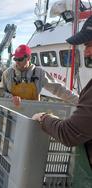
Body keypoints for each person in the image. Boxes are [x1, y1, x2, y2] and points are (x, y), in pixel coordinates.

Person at [32, 15, 92, 187]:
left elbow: (69, 133)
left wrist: (44, 118)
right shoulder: (9, 74)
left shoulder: (39, 72)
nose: (86, 52)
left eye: (88, 45)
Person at [0, 44, 79, 106]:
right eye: (15, 59)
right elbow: (0, 91)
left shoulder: (39, 73)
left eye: (20, 59)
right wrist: (11, 98)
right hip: (12, 110)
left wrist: (79, 101)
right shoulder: (7, 73)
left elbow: (58, 89)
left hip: (32, 111)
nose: (17, 62)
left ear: (28, 58)